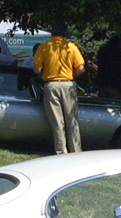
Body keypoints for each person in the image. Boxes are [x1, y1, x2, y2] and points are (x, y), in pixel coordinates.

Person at [33, 25, 89, 155]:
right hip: (68, 84)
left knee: (57, 122)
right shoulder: (71, 47)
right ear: (65, 33)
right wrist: (71, 75)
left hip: (51, 85)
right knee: (72, 120)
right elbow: (81, 68)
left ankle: (61, 152)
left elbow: (37, 69)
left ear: (51, 32)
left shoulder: (44, 46)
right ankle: (75, 152)